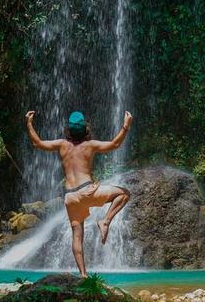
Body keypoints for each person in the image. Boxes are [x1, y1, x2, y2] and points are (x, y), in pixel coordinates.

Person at [25, 109, 132, 277]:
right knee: (124, 194)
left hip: (70, 197)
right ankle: (105, 221)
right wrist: (125, 126)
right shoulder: (90, 145)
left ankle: (83, 275)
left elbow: (37, 143)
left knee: (77, 236)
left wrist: (29, 123)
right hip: (87, 191)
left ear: (68, 129)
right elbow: (115, 144)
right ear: (85, 129)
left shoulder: (61, 144)